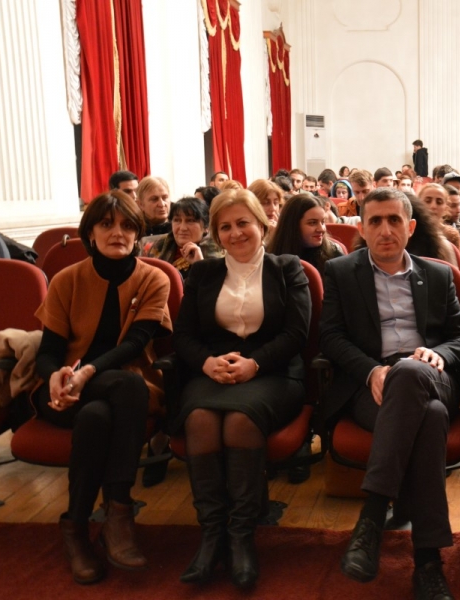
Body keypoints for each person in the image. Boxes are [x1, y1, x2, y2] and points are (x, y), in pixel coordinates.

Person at [319, 187, 460, 600]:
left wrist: (438, 354)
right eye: (375, 221)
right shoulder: (341, 272)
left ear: (410, 227)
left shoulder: (438, 274)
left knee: (410, 371)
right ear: (362, 228)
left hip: (431, 374)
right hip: (372, 384)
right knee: (432, 418)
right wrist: (370, 369)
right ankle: (428, 563)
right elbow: (330, 337)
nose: (385, 230)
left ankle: (371, 517)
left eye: (394, 220)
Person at [171, 189, 311, 590]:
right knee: (199, 419)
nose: (236, 233)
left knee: (238, 421)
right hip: (213, 371)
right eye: (226, 226)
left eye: (243, 223)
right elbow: (183, 336)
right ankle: (212, 536)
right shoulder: (203, 273)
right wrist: (206, 363)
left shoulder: (287, 268)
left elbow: (296, 333)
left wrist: (255, 363)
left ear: (262, 225)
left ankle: (241, 537)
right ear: (216, 234)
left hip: (274, 371)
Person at [33, 191, 172, 584]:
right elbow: (48, 352)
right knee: (115, 395)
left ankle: (77, 526)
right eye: (107, 224)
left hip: (125, 383)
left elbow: (136, 343)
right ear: (90, 233)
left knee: (101, 411)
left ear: (138, 234)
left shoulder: (153, 278)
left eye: (128, 225)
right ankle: (117, 514)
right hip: (65, 390)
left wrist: (88, 372)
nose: (118, 233)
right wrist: (56, 376)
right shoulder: (67, 279)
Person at [143, 197, 223, 279]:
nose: (182, 228)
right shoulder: (160, 245)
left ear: (206, 227)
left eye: (190, 221)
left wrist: (199, 264)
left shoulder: (215, 254)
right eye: (177, 220)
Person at [270, 193, 345, 274]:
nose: (321, 229)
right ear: (293, 225)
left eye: (323, 222)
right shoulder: (272, 256)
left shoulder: (333, 254)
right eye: (312, 223)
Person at [248, 179, 285, 249]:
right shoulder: (246, 229)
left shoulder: (284, 227)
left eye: (276, 203)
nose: (273, 208)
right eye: (266, 203)